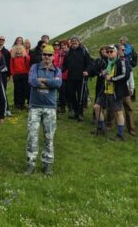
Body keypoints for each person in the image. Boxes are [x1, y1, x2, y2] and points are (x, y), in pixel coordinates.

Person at [25, 45, 62, 176]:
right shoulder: (34, 67)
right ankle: (31, 163)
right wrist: (49, 82)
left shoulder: (57, 70)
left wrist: (43, 81)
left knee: (49, 137)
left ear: (53, 57)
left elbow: (58, 84)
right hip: (35, 107)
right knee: (32, 136)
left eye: (49, 55)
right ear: (42, 55)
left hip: (50, 107)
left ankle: (48, 164)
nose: (47, 57)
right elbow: (32, 81)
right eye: (45, 54)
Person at [92, 45, 131, 140]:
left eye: (111, 51)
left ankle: (120, 134)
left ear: (116, 52)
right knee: (97, 107)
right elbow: (108, 72)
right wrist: (103, 73)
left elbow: (125, 75)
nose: (109, 53)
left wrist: (112, 79)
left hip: (116, 91)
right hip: (105, 90)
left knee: (118, 112)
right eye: (107, 51)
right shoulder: (109, 62)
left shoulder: (122, 61)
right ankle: (101, 128)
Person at [62, 35, 92, 121]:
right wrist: (58, 72)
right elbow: (65, 65)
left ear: (79, 42)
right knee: (71, 95)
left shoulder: (83, 51)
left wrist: (87, 71)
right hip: (71, 78)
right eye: (72, 41)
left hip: (81, 78)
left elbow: (89, 63)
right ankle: (75, 112)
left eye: (76, 41)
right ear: (70, 43)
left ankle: (80, 114)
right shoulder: (68, 53)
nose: (74, 42)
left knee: (80, 96)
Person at [120, 45, 137, 135]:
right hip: (116, 87)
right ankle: (109, 124)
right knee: (113, 107)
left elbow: (130, 75)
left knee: (128, 108)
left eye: (124, 50)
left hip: (125, 88)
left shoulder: (127, 61)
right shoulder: (115, 61)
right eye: (121, 50)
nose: (123, 51)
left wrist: (132, 87)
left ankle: (131, 128)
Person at [10, 44, 31, 110]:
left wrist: (28, 73)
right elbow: (11, 66)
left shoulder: (26, 57)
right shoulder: (13, 58)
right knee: (17, 90)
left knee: (24, 90)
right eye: (17, 49)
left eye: (20, 49)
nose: (18, 50)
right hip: (16, 75)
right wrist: (13, 74)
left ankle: (23, 103)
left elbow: (28, 66)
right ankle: (18, 104)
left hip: (25, 75)